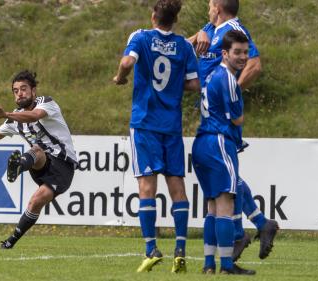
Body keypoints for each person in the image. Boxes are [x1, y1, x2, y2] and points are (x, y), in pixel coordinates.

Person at [113, 0, 200, 273]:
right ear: (175, 19)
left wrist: (120, 78)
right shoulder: (184, 46)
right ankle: (180, 251)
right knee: (178, 190)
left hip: (145, 124)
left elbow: (127, 62)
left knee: (146, 189)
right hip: (171, 126)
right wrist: (174, 86)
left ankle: (151, 249)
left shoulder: (140, 37)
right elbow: (195, 84)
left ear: (153, 16)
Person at [188, 0, 278, 264]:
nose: (207, 8)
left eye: (209, 3)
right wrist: (198, 35)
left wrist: (230, 91)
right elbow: (184, 43)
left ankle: (241, 233)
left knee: (226, 182)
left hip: (222, 119)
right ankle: (260, 223)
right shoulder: (210, 28)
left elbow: (254, 64)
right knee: (229, 178)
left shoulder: (235, 29)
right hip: (211, 116)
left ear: (217, 5)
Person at [0, 70, 77, 249]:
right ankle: (19, 166)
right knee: (37, 153)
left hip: (63, 165)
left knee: (36, 201)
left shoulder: (46, 103)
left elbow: (34, 116)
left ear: (34, 90)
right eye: (15, 91)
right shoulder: (15, 118)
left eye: (23, 89)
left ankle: (12, 238)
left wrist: (6, 114)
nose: (19, 93)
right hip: (39, 163)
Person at [192, 30, 255, 275]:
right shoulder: (228, 78)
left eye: (245, 52)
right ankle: (227, 266)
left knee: (212, 207)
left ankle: (209, 264)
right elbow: (238, 119)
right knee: (225, 205)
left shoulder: (211, 75)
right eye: (237, 52)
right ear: (225, 53)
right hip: (219, 142)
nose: (242, 57)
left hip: (202, 142)